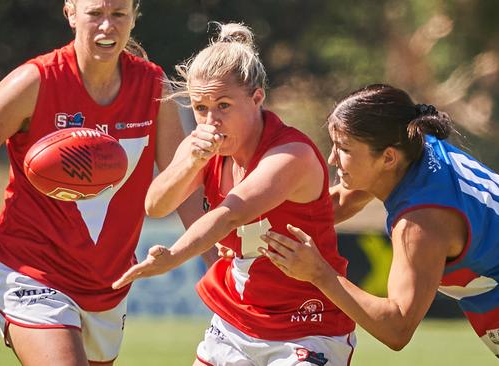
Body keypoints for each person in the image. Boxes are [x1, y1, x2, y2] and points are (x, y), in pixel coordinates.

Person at [0, 0, 212, 364]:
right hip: (30, 271)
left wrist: (220, 268)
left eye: (118, 15)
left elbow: (186, 189)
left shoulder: (153, 88)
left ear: (133, 16)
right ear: (70, 13)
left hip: (109, 286)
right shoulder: (34, 82)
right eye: (94, 13)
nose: (106, 26)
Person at [260, 84, 499, 365]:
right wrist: (251, 223)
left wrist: (319, 273)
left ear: (388, 158)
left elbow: (397, 327)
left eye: (344, 149)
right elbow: (338, 203)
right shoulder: (414, 146)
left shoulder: (421, 224)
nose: (332, 159)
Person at [112, 22, 357, 366]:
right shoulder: (200, 146)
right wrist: (190, 163)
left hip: (306, 325)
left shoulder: (290, 154)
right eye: (200, 108)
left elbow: (231, 214)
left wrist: (174, 256)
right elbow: (156, 204)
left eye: (223, 106)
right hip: (234, 323)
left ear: (257, 98)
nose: (211, 120)